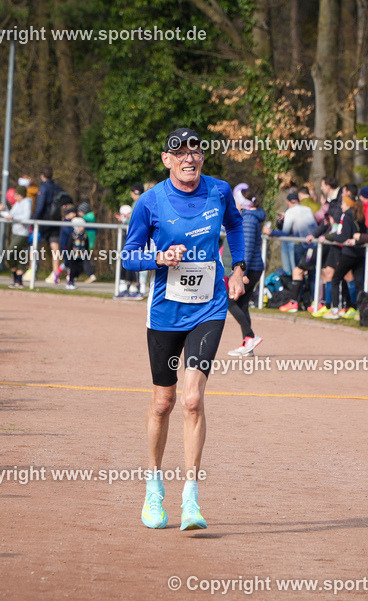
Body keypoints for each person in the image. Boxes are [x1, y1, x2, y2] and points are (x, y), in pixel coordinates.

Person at [122, 127, 245, 531]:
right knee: (164, 402)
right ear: (166, 159)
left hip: (208, 308)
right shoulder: (150, 202)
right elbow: (128, 257)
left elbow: (237, 226)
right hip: (164, 314)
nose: (189, 158)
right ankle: (153, 487)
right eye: (181, 152)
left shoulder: (220, 191)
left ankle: (191, 497)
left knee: (193, 400)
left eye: (196, 151)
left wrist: (240, 268)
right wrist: (159, 257)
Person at [226, 188, 264, 355]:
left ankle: (250, 336)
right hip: (253, 268)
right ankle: (248, 346)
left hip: (250, 269)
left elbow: (246, 248)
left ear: (241, 203)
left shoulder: (248, 220)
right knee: (242, 304)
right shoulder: (250, 217)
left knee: (230, 302)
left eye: (235, 200)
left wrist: (242, 273)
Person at [266, 191, 317, 312]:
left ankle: (295, 301)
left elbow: (286, 232)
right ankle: (312, 302)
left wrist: (271, 232)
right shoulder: (307, 209)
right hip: (313, 246)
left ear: (288, 202)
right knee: (312, 274)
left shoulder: (290, 211)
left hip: (300, 246)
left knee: (297, 272)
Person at [0, 187, 33, 288]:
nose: (14, 197)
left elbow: (26, 217)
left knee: (10, 253)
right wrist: (4, 209)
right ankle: (17, 280)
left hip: (22, 233)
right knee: (16, 257)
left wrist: (14, 218)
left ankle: (18, 279)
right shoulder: (17, 204)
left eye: (16, 194)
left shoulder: (26, 202)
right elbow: (10, 215)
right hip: (15, 232)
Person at [64, 207, 88, 289]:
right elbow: (70, 245)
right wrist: (69, 254)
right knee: (72, 269)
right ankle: (70, 282)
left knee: (79, 269)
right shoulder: (73, 235)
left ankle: (73, 279)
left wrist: (86, 253)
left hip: (80, 255)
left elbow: (86, 245)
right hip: (73, 255)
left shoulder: (84, 235)